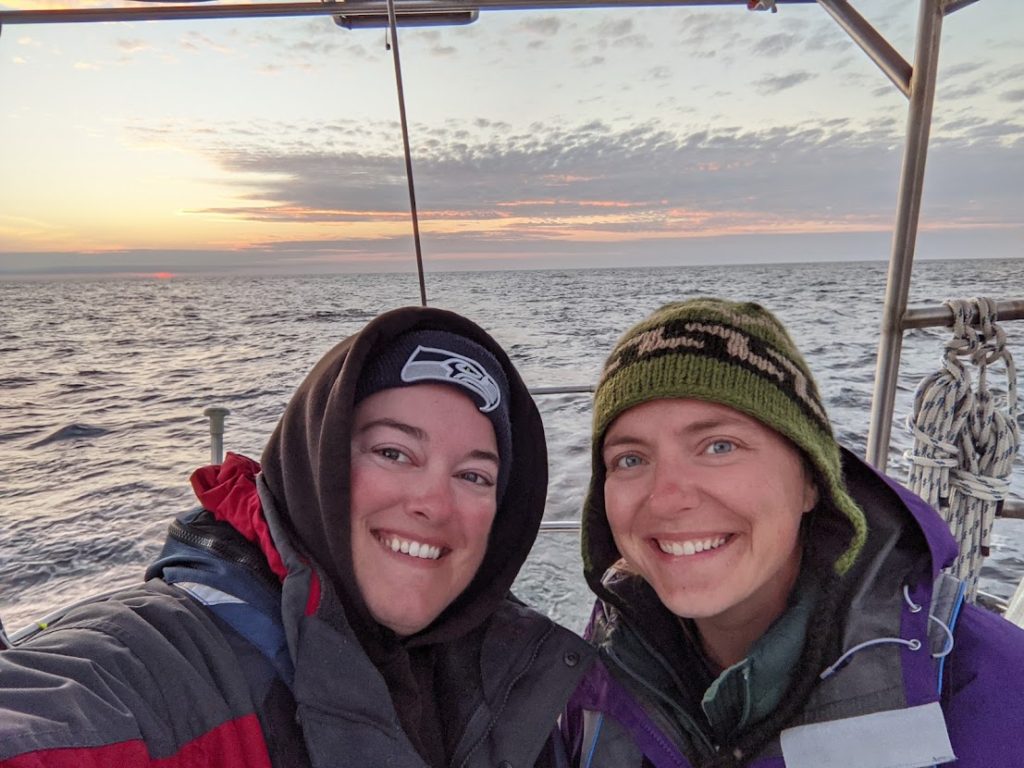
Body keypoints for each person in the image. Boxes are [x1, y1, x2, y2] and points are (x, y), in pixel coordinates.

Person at [0, 305, 594, 767]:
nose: (434, 503)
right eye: (393, 452)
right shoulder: (175, 663)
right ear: (317, 461)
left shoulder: (518, 665)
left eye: (473, 475)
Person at [565, 298, 1024, 768]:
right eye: (630, 459)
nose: (665, 497)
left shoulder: (994, 685)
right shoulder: (603, 651)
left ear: (811, 480)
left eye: (719, 446)